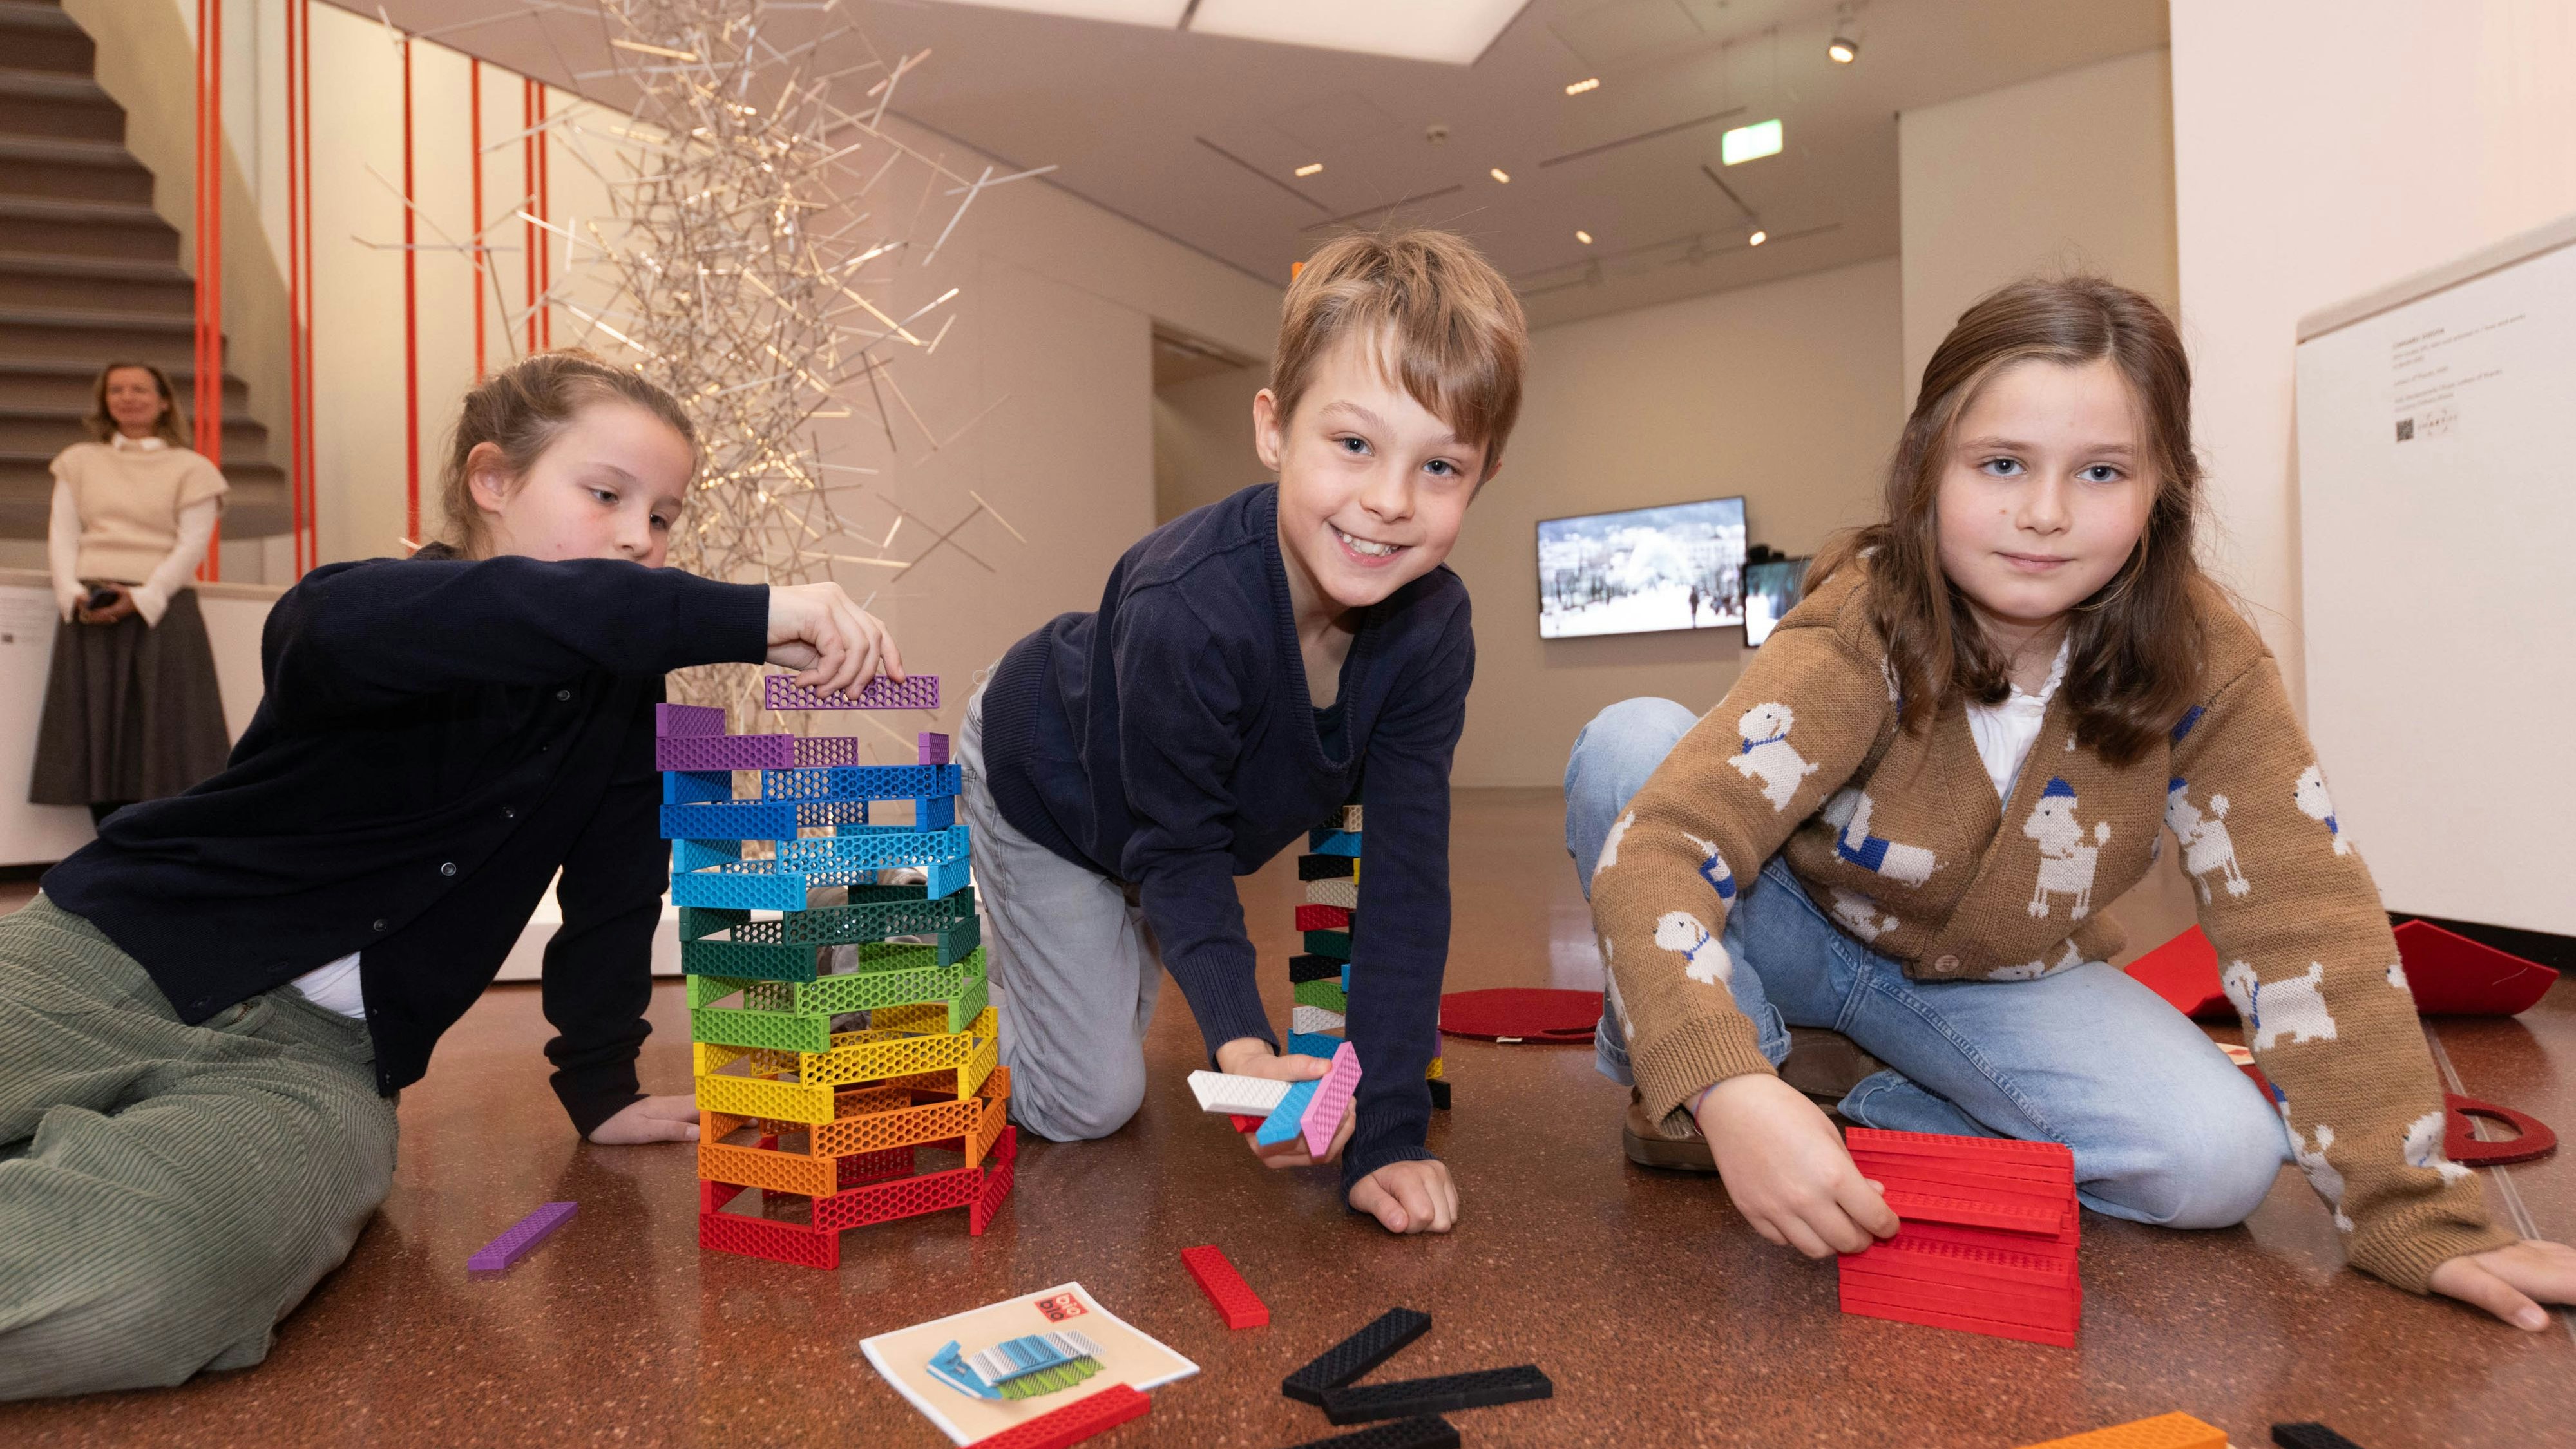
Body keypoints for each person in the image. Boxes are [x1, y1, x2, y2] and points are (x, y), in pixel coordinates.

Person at [1569, 278, 2576, 1327]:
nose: (2045, 514)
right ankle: (1734, 1064)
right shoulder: (1862, 623)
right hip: (1795, 933)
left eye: (2101, 472)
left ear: (2164, 491)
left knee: (2220, 1166)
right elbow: (1666, 846)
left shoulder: (2204, 661)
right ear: (1927, 469)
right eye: (2001, 465)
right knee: (1632, 748)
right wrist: (1728, 1085)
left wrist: (2410, 1210)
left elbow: (2301, 913)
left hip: (1999, 984)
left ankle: (1848, 1094)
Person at [0, 351, 901, 1397]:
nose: (638, 537)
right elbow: (487, 617)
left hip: (316, 1071)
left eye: (663, 518)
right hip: (109, 958)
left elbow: (615, 900)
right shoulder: (367, 612)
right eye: (606, 494)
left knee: (141, 1286)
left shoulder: (628, 709)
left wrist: (601, 1081)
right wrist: (744, 613)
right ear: (492, 480)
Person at [963, 229, 1523, 1235]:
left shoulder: (1432, 630)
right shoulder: (1189, 602)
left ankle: (1064, 946)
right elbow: (1178, 851)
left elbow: (1404, 888)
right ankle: (944, 944)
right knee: (1089, 1101)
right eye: (1353, 444)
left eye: (1440, 465)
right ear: (1274, 430)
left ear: (1482, 477)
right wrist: (1244, 1047)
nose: (1389, 502)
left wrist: (1391, 1136)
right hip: (1048, 781)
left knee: (1138, 958)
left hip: (1160, 823)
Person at [32, 363, 235, 825]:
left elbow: (192, 543)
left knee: (169, 734)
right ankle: (108, 846)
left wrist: (146, 598)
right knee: (93, 733)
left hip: (163, 610)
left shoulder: (193, 468)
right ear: (105, 400)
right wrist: (72, 594)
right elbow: (62, 533)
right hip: (91, 606)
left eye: (140, 389)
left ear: (164, 400)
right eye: (117, 389)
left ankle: (160, 852)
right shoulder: (78, 460)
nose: (128, 397)